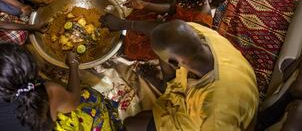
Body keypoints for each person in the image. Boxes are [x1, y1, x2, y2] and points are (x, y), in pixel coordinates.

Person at [100, 18, 259, 130]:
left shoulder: (216, 111)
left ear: (175, 64)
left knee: (130, 124)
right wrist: (123, 24)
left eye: (162, 59)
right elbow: (161, 29)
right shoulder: (199, 32)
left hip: (202, 120)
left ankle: (165, 88)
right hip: (221, 86)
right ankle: (165, 85)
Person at [0, 43, 122, 131]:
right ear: (33, 69)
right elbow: (74, 101)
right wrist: (74, 64)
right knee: (89, 96)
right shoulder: (49, 92)